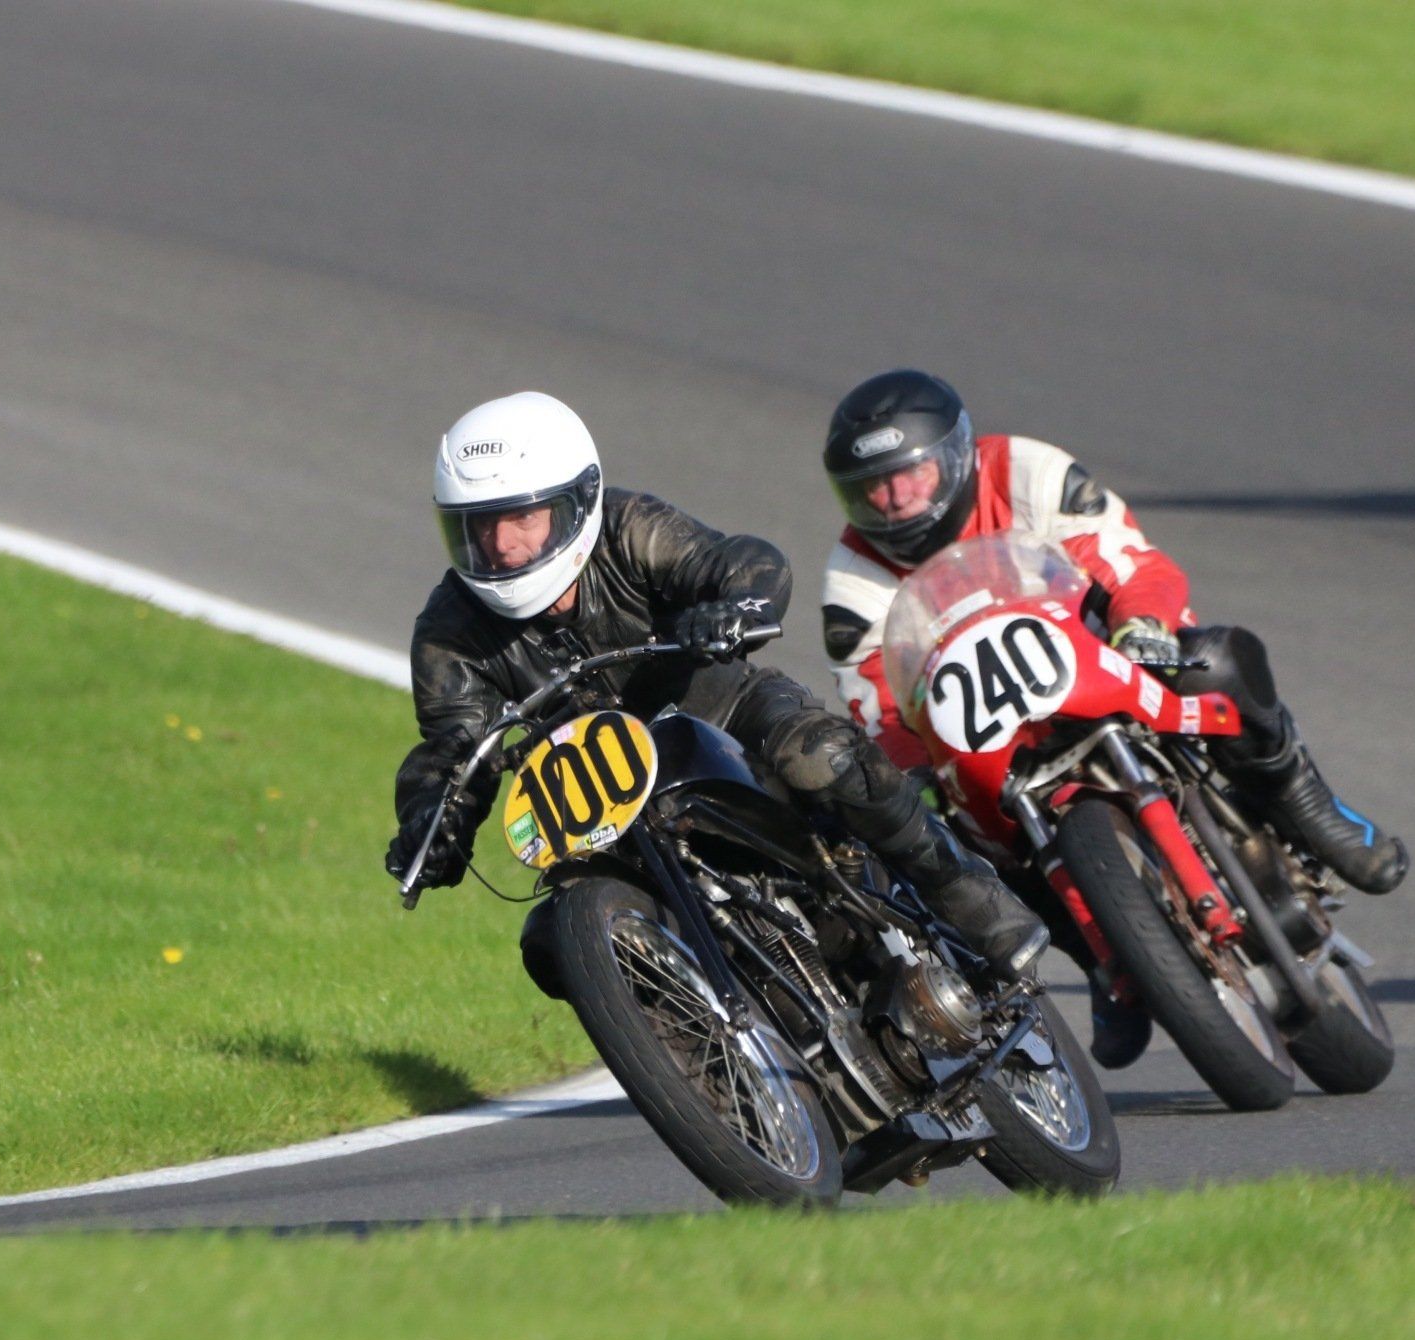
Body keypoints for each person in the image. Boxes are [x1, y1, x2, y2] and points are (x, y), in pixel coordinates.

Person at [817, 369, 1408, 1067]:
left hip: (1106, 653)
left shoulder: (1025, 469)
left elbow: (1126, 558)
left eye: (907, 479)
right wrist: (915, 778)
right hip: (995, 741)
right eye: (871, 491)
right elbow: (880, 707)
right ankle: (1103, 957)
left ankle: (1314, 806)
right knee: (944, 842)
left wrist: (1143, 625)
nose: (892, 504)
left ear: (954, 459)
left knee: (1216, 658)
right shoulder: (851, 580)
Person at [384, 389, 1048, 979]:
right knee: (557, 942)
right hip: (601, 804)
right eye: (478, 525)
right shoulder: (447, 631)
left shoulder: (629, 528)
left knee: (821, 757)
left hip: (722, 711)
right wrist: (431, 819)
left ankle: (963, 888)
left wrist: (736, 606)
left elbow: (737, 561)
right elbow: (450, 745)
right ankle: (709, 1078)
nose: (500, 545)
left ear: (574, 503)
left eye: (520, 518)